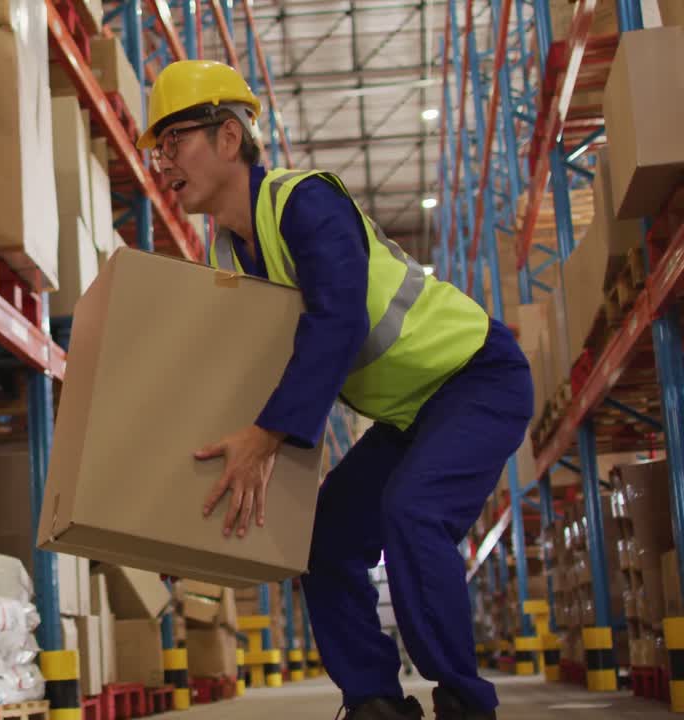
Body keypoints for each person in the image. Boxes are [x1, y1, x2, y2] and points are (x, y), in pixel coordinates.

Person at [137, 60, 533, 720]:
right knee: (322, 541)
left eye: (174, 141)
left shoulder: (303, 202)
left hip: (475, 379)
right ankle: (374, 700)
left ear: (228, 138)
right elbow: (248, 373)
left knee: (412, 511)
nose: (164, 163)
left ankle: (466, 702)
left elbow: (340, 318)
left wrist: (267, 437)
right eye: (159, 151)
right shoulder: (229, 257)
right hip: (412, 415)